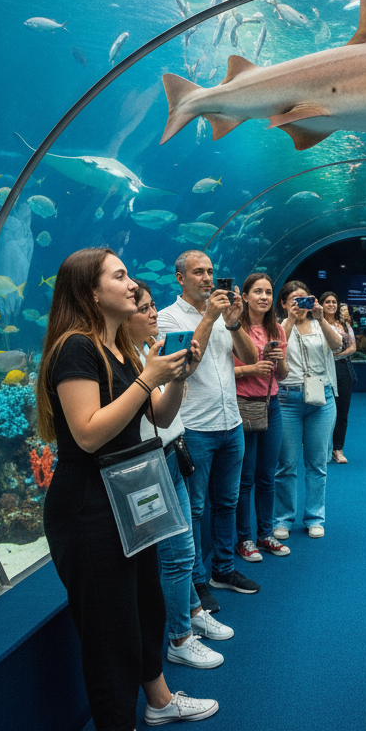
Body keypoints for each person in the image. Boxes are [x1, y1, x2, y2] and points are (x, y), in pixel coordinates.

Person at [37, 248, 218, 728]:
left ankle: (158, 702)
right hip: (88, 509)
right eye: (119, 276)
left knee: (146, 608)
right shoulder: (76, 348)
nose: (133, 285)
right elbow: (87, 434)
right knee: (108, 635)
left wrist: (175, 378)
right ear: (91, 293)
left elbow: (159, 414)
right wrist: (147, 379)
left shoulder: (120, 346)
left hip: (127, 498)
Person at [129, 281, 235, 672]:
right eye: (143, 308)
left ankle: (191, 612)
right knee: (177, 556)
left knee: (184, 549)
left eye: (152, 305)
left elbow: (166, 412)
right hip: (150, 465)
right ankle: (179, 638)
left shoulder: (148, 349)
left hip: (172, 455)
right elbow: (153, 415)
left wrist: (180, 373)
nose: (152, 313)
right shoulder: (129, 359)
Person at [158, 252, 258, 613]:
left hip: (232, 423)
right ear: (179, 278)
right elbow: (182, 366)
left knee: (228, 502)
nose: (207, 278)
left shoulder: (222, 315)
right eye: (198, 272)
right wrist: (210, 318)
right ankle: (197, 581)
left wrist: (233, 323)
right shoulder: (168, 317)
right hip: (195, 427)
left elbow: (250, 358)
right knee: (196, 508)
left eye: (210, 271)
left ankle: (224, 570)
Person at [274, 282, 343, 538]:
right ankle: (283, 519)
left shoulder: (319, 324)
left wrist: (321, 318)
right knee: (286, 464)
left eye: (304, 299)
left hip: (321, 398)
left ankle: (315, 517)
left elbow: (337, 345)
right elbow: (273, 348)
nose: (300, 305)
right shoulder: (279, 326)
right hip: (287, 399)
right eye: (294, 300)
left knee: (317, 463)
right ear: (283, 304)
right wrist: (290, 320)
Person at [234, 273, 290, 564]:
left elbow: (284, 374)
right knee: (245, 478)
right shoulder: (233, 327)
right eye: (257, 291)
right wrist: (250, 370)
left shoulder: (276, 328)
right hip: (242, 405)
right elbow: (219, 372)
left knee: (267, 475)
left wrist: (279, 361)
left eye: (268, 292)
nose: (264, 297)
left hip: (271, 405)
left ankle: (265, 534)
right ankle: (244, 538)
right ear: (244, 297)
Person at [320, 293, 356, 463]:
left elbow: (353, 347)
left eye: (334, 302)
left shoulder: (344, 325)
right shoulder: (315, 324)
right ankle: (323, 447)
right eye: (327, 302)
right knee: (322, 410)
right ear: (321, 304)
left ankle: (337, 448)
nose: (331, 304)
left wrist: (336, 356)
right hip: (321, 369)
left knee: (342, 411)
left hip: (342, 368)